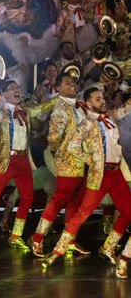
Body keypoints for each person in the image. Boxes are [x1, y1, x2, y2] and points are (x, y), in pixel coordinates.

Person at [43, 85, 131, 268]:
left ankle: (108, 247)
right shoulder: (87, 123)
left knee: (129, 212)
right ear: (88, 103)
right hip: (99, 175)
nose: (103, 101)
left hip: (116, 175)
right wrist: (91, 160)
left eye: (103, 98)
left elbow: (125, 109)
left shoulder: (111, 117)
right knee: (82, 213)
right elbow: (72, 147)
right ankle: (57, 250)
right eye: (98, 99)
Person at [0, 81, 55, 250]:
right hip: (7, 161)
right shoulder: (0, 114)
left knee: (27, 197)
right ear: (4, 95)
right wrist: (4, 145)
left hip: (23, 162)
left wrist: (58, 99)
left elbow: (40, 109)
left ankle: (16, 235)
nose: (17, 90)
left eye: (17, 87)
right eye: (12, 88)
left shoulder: (25, 112)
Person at [28, 72, 89, 257]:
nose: (72, 85)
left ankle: (69, 240)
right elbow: (54, 138)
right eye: (67, 82)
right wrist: (61, 154)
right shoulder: (61, 107)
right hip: (68, 161)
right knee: (59, 199)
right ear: (59, 87)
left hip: (84, 161)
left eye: (74, 82)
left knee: (75, 202)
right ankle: (37, 237)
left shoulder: (80, 105)